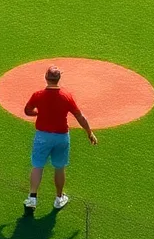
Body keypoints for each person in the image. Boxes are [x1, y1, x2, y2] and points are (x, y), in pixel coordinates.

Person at [22, 65, 97, 212]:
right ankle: (58, 198)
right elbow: (80, 117)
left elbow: (27, 111)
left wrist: (39, 113)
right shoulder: (66, 96)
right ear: (59, 79)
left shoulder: (38, 95)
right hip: (61, 137)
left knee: (38, 166)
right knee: (59, 167)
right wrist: (89, 132)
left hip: (42, 136)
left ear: (46, 78)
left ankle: (32, 198)